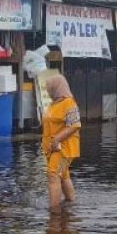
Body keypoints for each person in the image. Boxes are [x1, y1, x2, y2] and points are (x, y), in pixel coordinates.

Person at [42, 75, 81, 211]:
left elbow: (75, 125)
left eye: (49, 88)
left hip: (65, 148)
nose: (48, 91)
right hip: (53, 149)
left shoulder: (69, 103)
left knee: (53, 174)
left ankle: (55, 210)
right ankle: (71, 203)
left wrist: (57, 138)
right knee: (63, 175)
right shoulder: (54, 104)